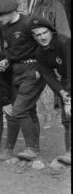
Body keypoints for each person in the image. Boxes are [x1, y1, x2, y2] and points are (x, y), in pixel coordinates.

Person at [0, 0, 45, 161]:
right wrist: (7, 59)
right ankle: (34, 150)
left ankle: (31, 148)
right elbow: (12, 49)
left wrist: (41, 69)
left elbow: (46, 46)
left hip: (33, 70)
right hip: (16, 71)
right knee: (29, 110)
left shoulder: (29, 23)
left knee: (19, 109)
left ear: (11, 12)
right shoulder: (5, 26)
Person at [29, 16, 71, 164]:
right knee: (68, 118)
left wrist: (69, 97)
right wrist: (61, 92)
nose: (42, 37)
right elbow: (48, 75)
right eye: (38, 35)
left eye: (44, 33)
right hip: (66, 80)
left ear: (51, 32)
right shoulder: (40, 53)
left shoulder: (64, 42)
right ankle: (69, 153)